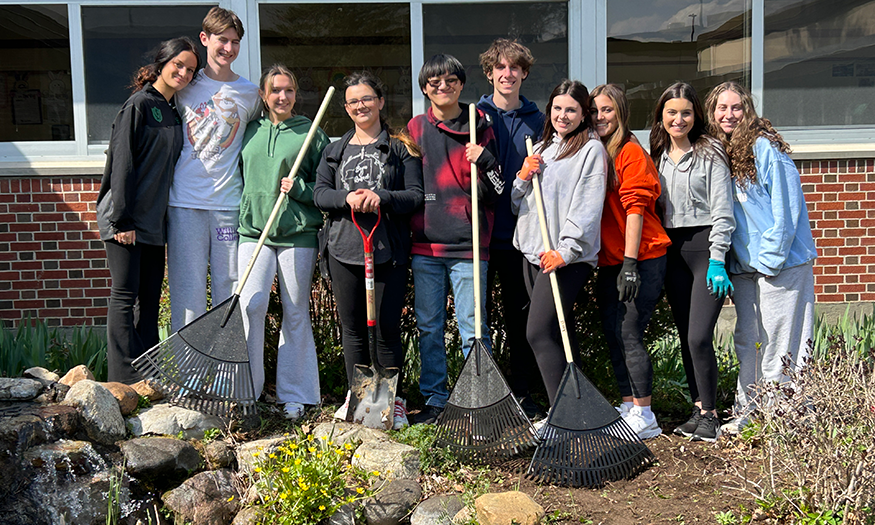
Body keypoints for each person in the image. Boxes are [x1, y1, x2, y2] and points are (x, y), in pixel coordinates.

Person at [705, 81, 817, 435]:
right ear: (712, 113)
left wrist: (770, 262)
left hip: (781, 266)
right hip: (745, 269)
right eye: (721, 108)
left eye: (736, 107)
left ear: (748, 109)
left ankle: (786, 416)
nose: (729, 114)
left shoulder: (765, 148)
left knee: (781, 343)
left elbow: (787, 212)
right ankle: (749, 411)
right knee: (748, 341)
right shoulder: (721, 152)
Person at [313, 71, 424, 429]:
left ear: (379, 101)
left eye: (367, 99)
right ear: (346, 108)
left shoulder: (400, 148)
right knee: (354, 329)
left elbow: (415, 196)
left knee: (387, 328)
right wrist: (346, 198)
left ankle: (392, 399)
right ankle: (358, 395)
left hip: (385, 250)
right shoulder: (334, 150)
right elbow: (320, 194)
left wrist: (383, 197)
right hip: (344, 249)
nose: (361, 106)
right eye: (353, 101)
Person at [96, 38, 200, 384]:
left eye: (190, 69)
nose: (183, 73)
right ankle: (123, 378)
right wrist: (123, 219)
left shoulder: (172, 110)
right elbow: (122, 162)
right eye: (178, 64)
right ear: (162, 62)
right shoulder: (139, 105)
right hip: (125, 219)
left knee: (151, 298)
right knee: (125, 296)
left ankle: (149, 373)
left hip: (155, 223)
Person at [407, 54, 504, 424]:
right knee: (429, 326)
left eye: (450, 80)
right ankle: (436, 398)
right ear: (425, 88)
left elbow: (498, 190)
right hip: (427, 245)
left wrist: (487, 160)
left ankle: (480, 401)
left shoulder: (480, 124)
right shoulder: (415, 129)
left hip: (469, 246)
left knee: (473, 328)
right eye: (434, 82)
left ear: (461, 84)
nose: (442, 87)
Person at [236, 65, 329, 420]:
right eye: (275, 90)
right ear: (263, 95)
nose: (282, 96)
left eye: (288, 90)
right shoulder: (249, 131)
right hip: (254, 231)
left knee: (295, 312)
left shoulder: (311, 133)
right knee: (250, 305)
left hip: (297, 234)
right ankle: (248, 391)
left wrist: (301, 189)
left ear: (295, 94)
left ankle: (295, 394)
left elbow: (323, 189)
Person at [512, 79, 608, 410]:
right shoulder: (540, 150)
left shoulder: (591, 150)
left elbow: (587, 207)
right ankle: (582, 413)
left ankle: (562, 415)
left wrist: (565, 252)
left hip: (567, 258)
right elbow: (516, 203)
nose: (562, 116)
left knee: (538, 333)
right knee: (558, 334)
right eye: (557, 108)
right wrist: (523, 175)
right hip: (532, 253)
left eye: (571, 110)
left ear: (584, 114)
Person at [650, 82, 735, 442]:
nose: (678, 119)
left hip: (705, 251)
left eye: (685, 112)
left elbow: (723, 211)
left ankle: (712, 415)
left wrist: (718, 258)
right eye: (672, 112)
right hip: (672, 251)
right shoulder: (657, 155)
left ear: (695, 115)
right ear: (662, 116)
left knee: (700, 336)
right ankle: (699, 409)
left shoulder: (710, 152)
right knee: (686, 336)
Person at [167, 7, 261, 331]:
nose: (229, 49)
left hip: (228, 205)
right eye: (223, 40)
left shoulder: (251, 93)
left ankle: (225, 378)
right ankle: (186, 380)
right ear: (205, 39)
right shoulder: (184, 86)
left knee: (230, 290)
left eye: (235, 42)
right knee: (186, 291)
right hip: (185, 203)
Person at [590, 84, 671, 439]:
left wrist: (630, 263)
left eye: (607, 110)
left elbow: (635, 210)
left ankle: (645, 414)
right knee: (613, 333)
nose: (599, 117)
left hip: (641, 257)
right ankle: (627, 405)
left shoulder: (629, 152)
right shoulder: (597, 151)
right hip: (610, 259)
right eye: (594, 111)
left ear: (620, 112)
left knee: (629, 333)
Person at [477, 39, 547, 420]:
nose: (507, 74)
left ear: (523, 73)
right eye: (500, 68)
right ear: (490, 73)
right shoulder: (474, 117)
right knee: (480, 320)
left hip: (522, 239)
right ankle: (487, 396)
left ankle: (522, 393)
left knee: (521, 321)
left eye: (514, 68)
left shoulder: (538, 121)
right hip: (481, 237)